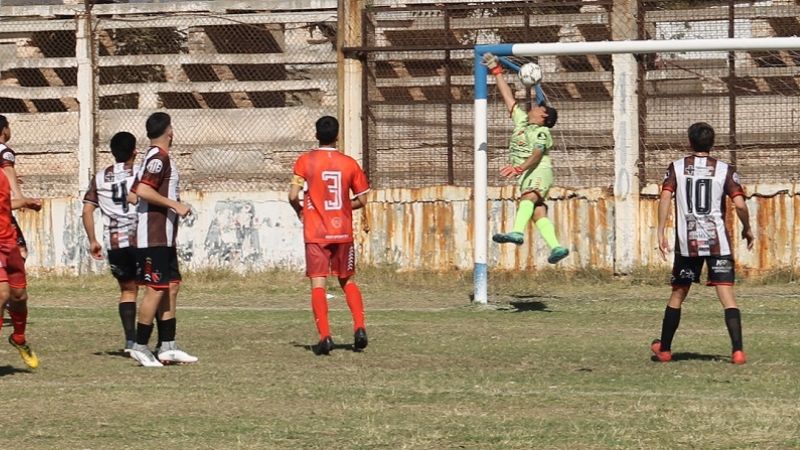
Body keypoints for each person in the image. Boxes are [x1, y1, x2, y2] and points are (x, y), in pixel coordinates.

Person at [651, 122, 754, 365]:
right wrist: (747, 228)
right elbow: (739, 204)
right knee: (727, 295)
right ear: (712, 142)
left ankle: (664, 349)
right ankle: (737, 351)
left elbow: (665, 196)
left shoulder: (677, 167)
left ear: (689, 141)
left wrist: (660, 231)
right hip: (717, 241)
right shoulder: (724, 170)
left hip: (689, 242)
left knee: (678, 294)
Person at [288, 116, 370, 355]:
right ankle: (359, 327)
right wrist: (344, 206)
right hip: (343, 232)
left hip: (316, 232)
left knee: (318, 283)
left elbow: (293, 195)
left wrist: (301, 211)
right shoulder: (349, 163)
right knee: (348, 281)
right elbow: (363, 199)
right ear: (337, 136)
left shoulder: (305, 161)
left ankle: (325, 336)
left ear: (316, 135)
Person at [481, 53, 569, 264]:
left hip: (538, 170)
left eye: (539, 107)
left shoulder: (541, 132)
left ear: (544, 116)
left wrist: (519, 168)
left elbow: (537, 153)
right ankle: (556, 247)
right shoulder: (522, 122)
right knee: (537, 212)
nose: (534, 107)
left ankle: (517, 233)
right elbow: (508, 98)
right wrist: (496, 71)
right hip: (526, 173)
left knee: (528, 198)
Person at [127, 112, 197, 367]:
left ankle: (167, 345)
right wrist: (174, 205)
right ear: (170, 132)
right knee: (155, 289)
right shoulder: (158, 157)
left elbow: (133, 194)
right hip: (153, 236)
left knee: (172, 286)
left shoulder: (152, 158)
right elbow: (143, 191)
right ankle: (140, 345)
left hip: (165, 236)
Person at [82, 131, 140, 351]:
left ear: (113, 153)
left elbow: (87, 211)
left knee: (127, 291)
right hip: (140, 238)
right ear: (134, 150)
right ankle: (150, 338)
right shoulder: (140, 173)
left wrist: (93, 240)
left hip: (114, 242)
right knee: (153, 287)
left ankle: (130, 340)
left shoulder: (99, 177)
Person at [0, 166, 41, 368]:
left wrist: (25, 202)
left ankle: (18, 338)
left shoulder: (1, 175)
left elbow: (4, 205)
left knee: (19, 296)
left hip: (9, 242)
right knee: (2, 294)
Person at [0, 115, 33, 260]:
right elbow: (8, 170)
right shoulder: (5, 151)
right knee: (21, 249)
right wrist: (20, 197)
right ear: (4, 130)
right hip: (2, 207)